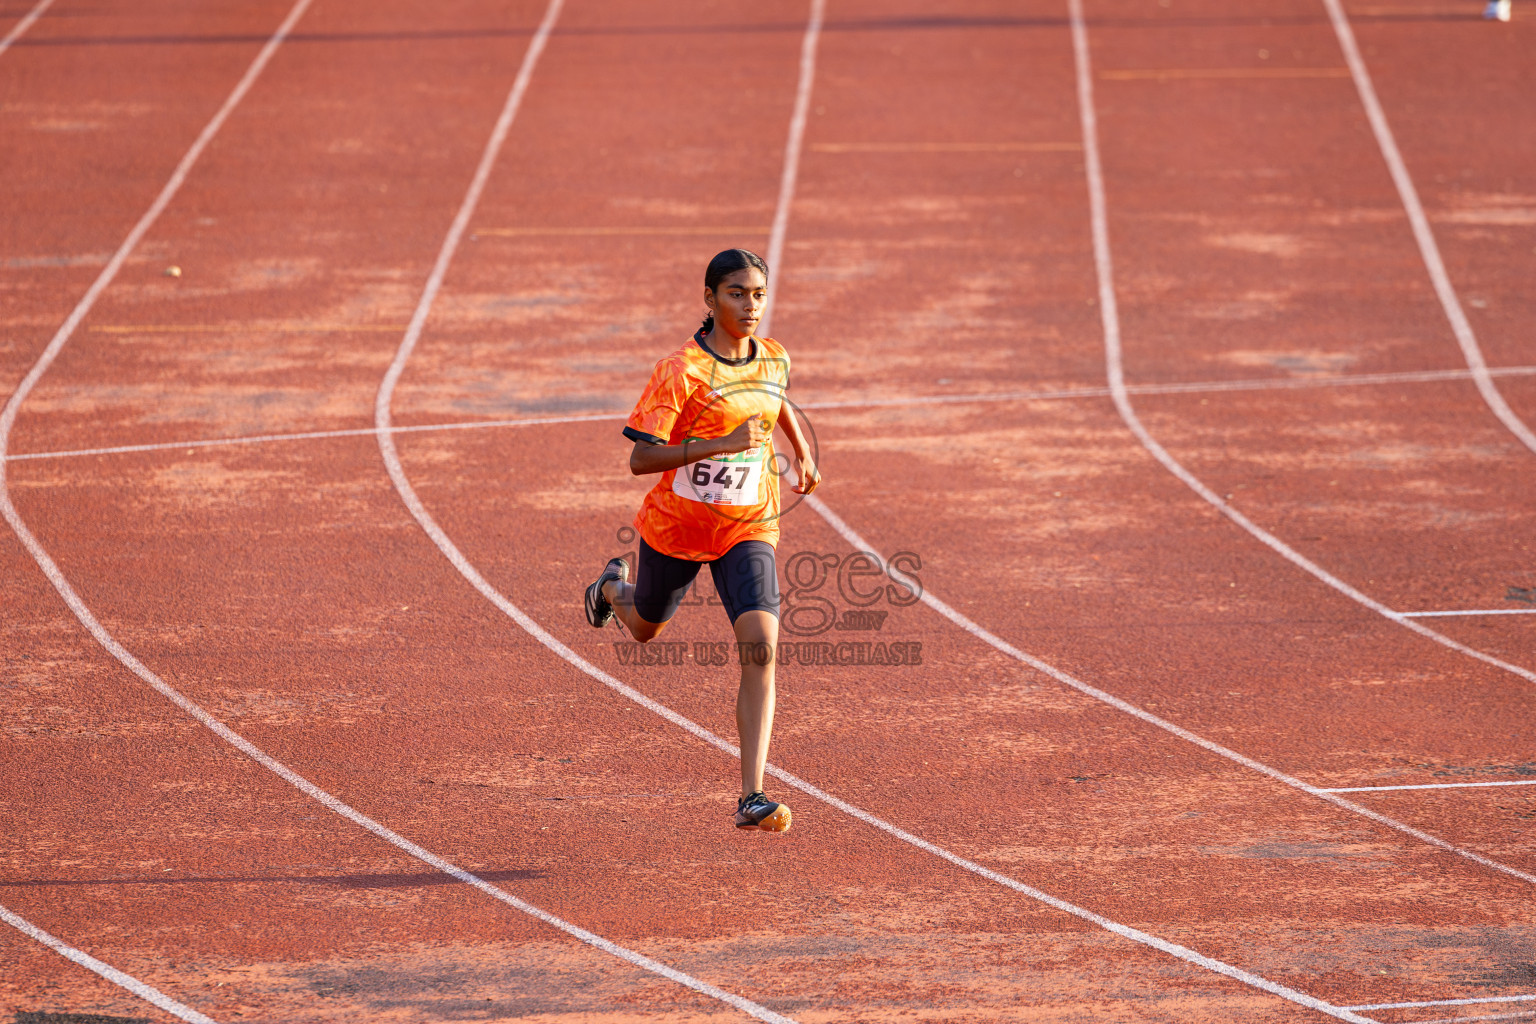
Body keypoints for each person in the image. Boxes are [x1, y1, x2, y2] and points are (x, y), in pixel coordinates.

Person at [583, 248, 820, 832]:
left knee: (762, 643)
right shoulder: (680, 371)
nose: (751, 305)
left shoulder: (774, 357)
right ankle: (613, 590)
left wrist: (802, 447)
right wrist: (716, 445)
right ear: (710, 300)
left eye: (759, 294)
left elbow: (776, 399)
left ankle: (752, 795)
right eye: (737, 293)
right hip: (678, 527)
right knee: (644, 629)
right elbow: (641, 458)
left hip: (748, 525)